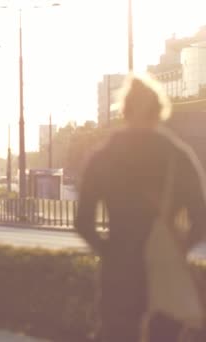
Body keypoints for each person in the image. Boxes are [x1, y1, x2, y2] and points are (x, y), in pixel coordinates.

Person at [75, 74, 206, 341]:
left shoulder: (103, 157)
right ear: (159, 112)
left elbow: (83, 222)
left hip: (120, 274)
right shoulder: (178, 156)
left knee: (118, 334)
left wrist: (109, 251)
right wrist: (180, 246)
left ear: (125, 111)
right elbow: (201, 219)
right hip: (165, 273)